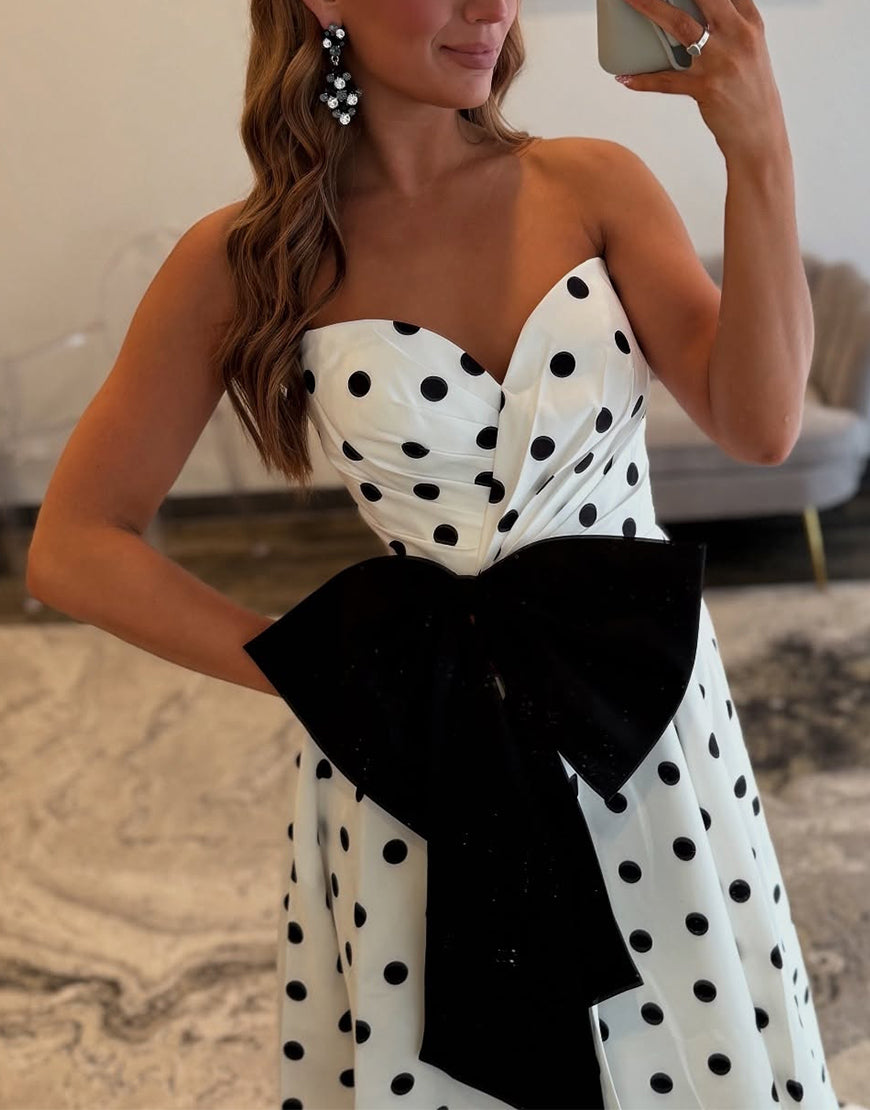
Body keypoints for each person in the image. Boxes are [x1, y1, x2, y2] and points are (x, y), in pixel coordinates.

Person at [26, 0, 843, 1107]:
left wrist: (760, 147)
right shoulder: (248, 255)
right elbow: (74, 545)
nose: (490, 8)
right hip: (424, 741)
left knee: (695, 1046)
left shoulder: (592, 185)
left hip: (643, 715)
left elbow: (762, 426)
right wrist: (322, 670)